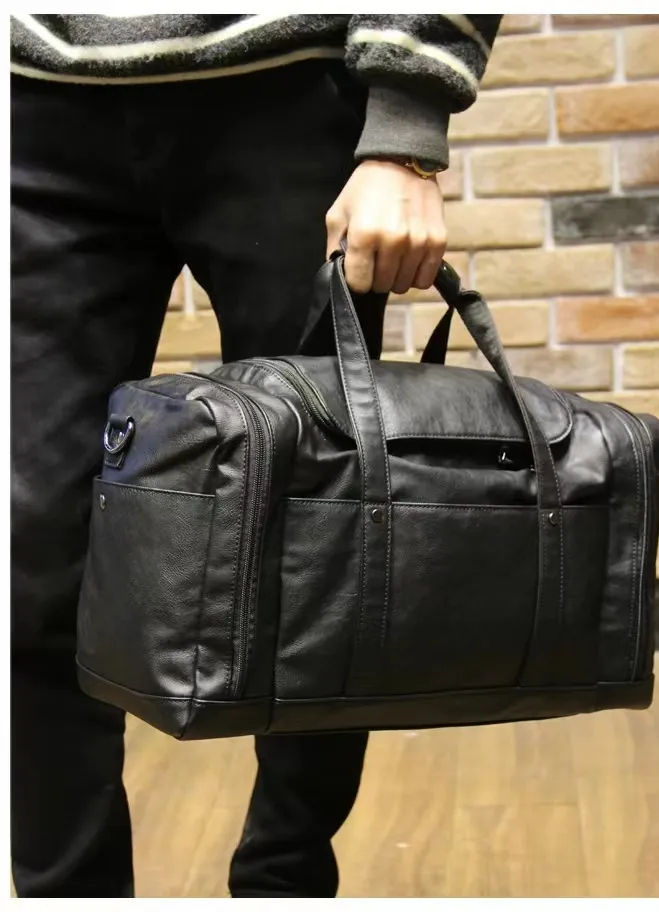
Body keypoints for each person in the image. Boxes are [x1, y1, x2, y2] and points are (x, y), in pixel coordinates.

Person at [10, 13, 502, 898]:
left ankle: (284, 882)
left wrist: (406, 127)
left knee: (319, 539)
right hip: (37, 109)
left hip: (284, 88)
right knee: (29, 549)